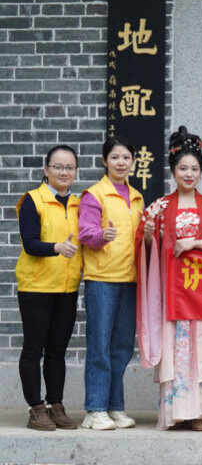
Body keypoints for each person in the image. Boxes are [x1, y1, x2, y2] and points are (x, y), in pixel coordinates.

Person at [135, 126, 202, 431]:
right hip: (173, 289)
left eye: (194, 169)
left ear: (201, 171)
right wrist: (147, 238)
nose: (189, 174)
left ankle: (201, 411)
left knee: (201, 345)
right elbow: (144, 246)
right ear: (173, 171)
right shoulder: (160, 207)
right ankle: (177, 410)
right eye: (183, 168)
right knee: (177, 346)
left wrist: (198, 243)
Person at [79, 136, 144, 430]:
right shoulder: (94, 195)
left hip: (130, 279)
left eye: (126, 157)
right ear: (104, 161)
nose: (121, 163)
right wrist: (101, 236)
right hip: (102, 280)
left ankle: (115, 406)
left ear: (133, 162)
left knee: (121, 348)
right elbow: (85, 232)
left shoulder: (137, 197)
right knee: (100, 347)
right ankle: (94, 409)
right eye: (115, 157)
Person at [16, 145, 82, 431]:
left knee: (57, 351)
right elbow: (30, 243)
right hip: (36, 287)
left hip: (67, 288)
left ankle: (56, 405)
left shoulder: (80, 203)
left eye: (69, 167)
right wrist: (57, 247)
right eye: (58, 166)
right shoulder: (33, 200)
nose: (64, 172)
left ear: (75, 171)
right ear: (46, 170)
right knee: (34, 349)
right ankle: (35, 408)